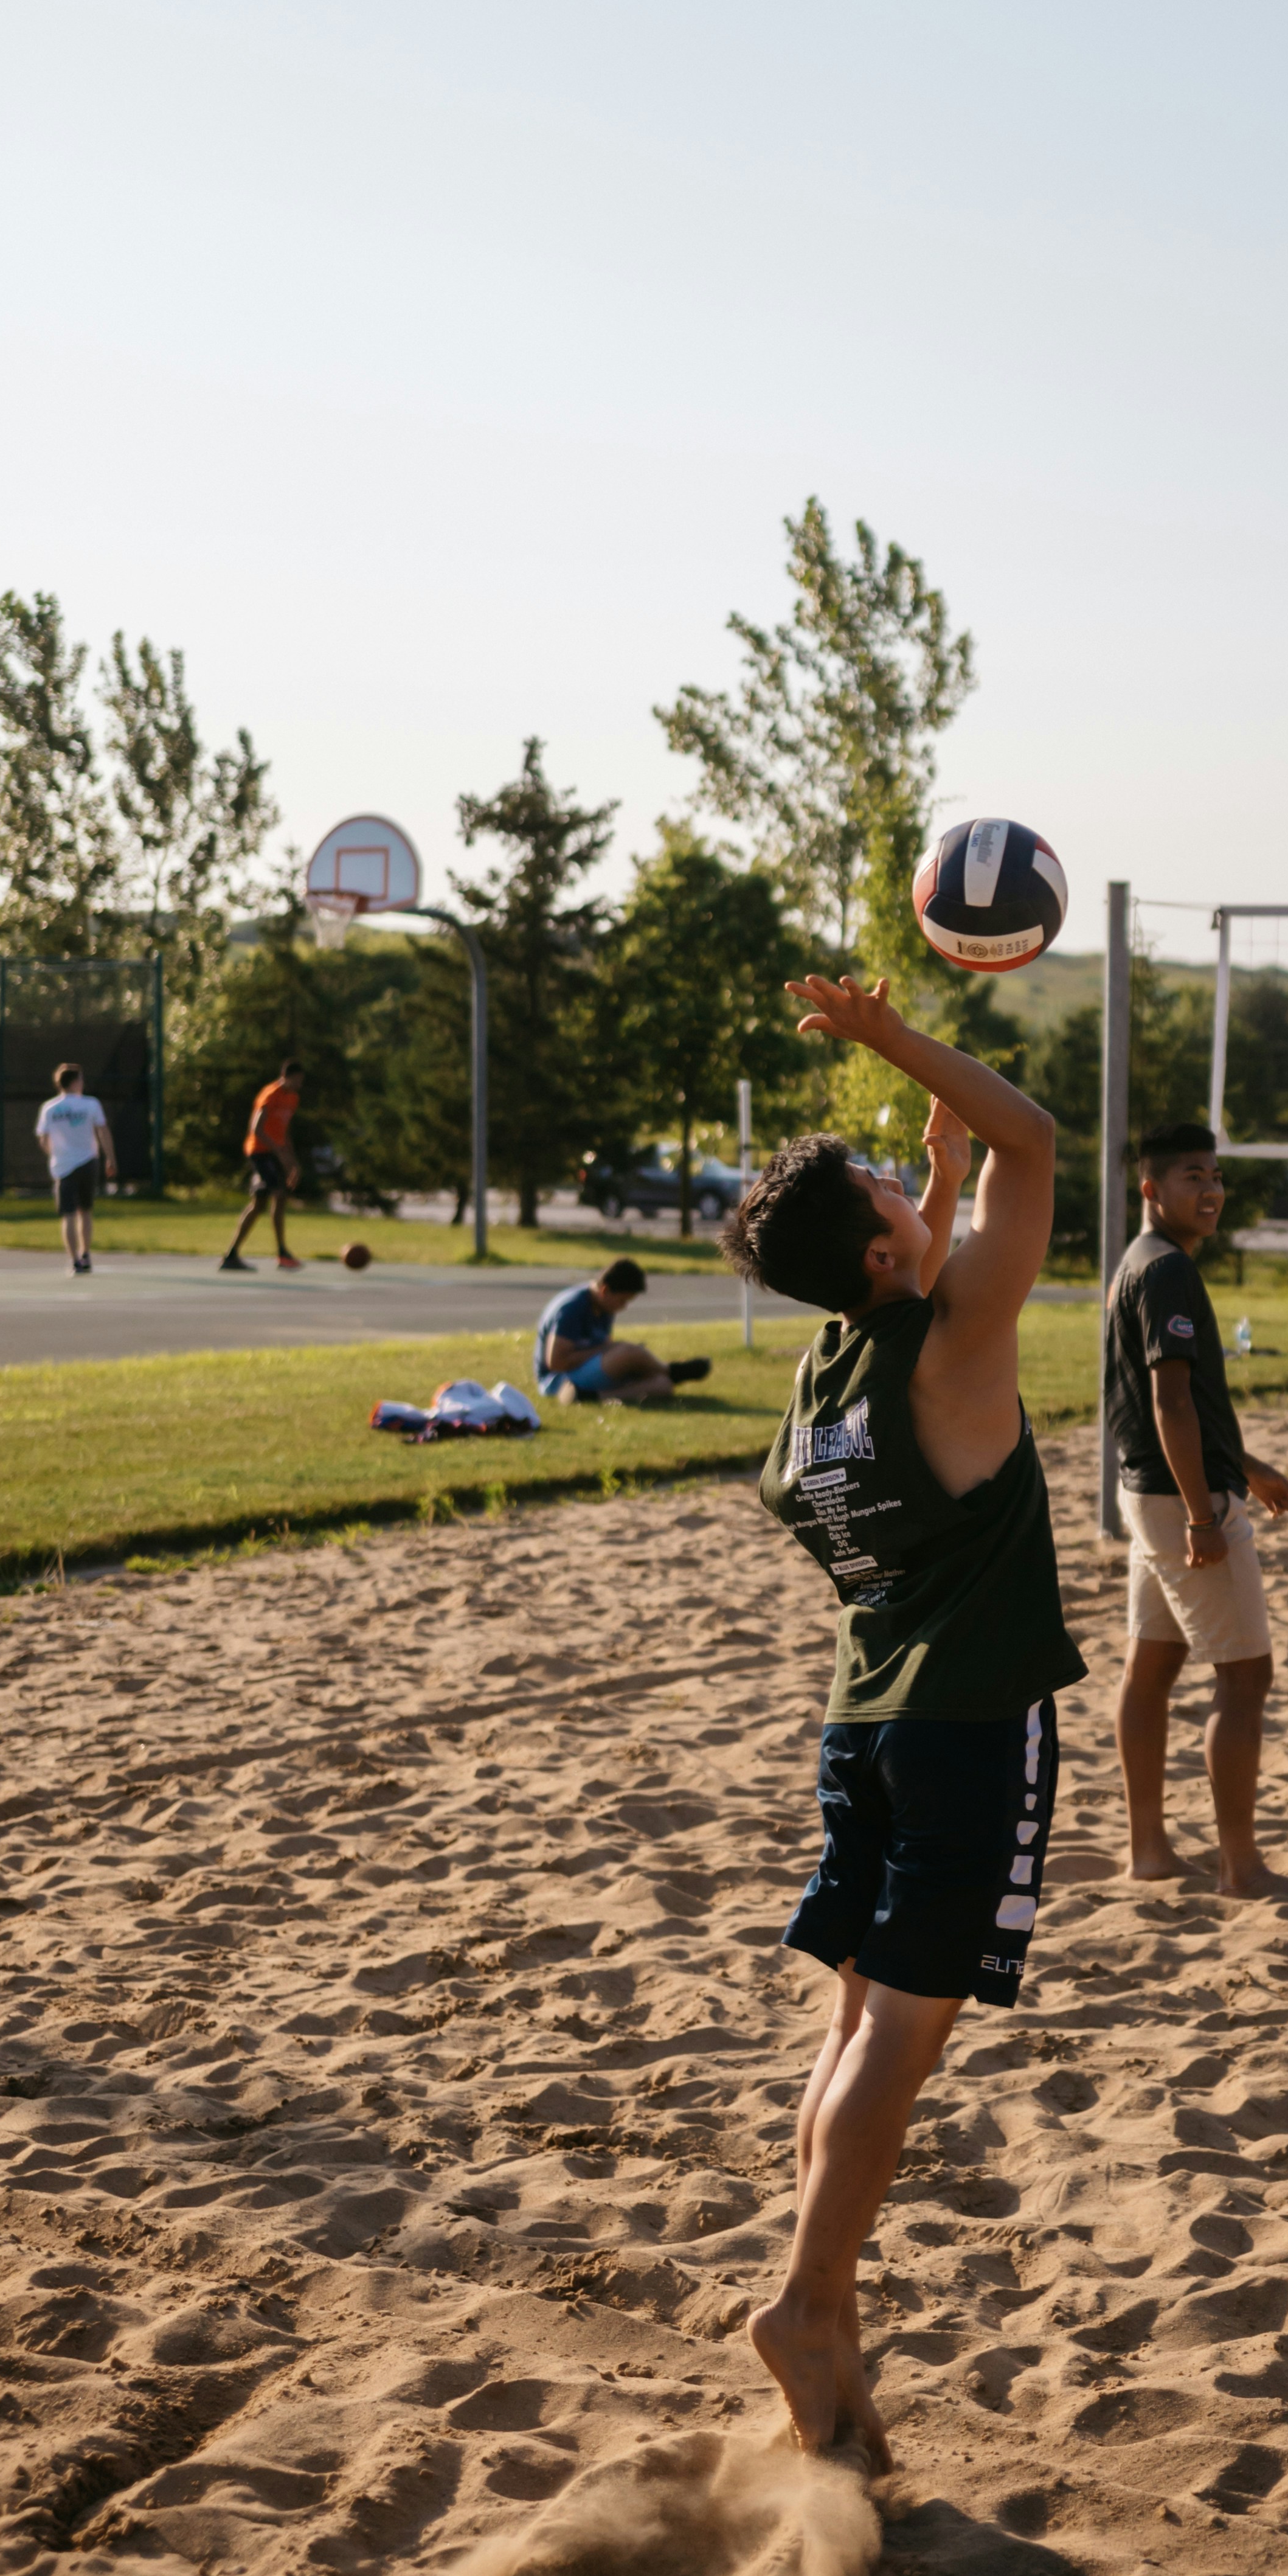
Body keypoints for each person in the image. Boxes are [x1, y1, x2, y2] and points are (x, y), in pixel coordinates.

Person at [722, 973, 1079, 2466]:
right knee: (902, 2037)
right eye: (888, 1185)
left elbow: (953, 1193)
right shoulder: (955, 1342)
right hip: (967, 1723)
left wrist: (924, 1170)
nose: (906, 1175)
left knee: (859, 2018)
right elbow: (1040, 1142)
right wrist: (890, 1041)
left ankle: (825, 2306)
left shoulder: (823, 1375)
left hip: (861, 1726)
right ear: (880, 1249)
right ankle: (811, 2302)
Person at [1105, 1119, 1288, 1895]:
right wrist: (1200, 1515)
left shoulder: (1140, 1262)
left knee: (1151, 1668)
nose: (1211, 1189)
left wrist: (1243, 1465)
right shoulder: (1166, 1274)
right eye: (1192, 1176)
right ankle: (1240, 1867)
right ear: (1151, 1190)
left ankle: (1149, 1852)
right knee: (1246, 1677)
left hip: (1145, 1492)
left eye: (1216, 1175)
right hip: (1174, 1499)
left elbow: (1180, 1403)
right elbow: (1168, 1402)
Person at [532, 1255, 713, 1406]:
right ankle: (671, 1370)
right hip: (558, 1380)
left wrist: (611, 1351)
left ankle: (592, 1396)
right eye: (623, 1301)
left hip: (582, 1378)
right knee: (628, 1352)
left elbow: (602, 1352)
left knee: (662, 1385)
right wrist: (608, 1349)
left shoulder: (604, 1306)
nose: (624, 1307)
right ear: (605, 1290)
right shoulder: (572, 1308)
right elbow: (556, 1362)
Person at [34, 1058, 117, 1277]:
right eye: (80, 1079)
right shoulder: (91, 1104)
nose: (83, 1082)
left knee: (68, 1214)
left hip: (63, 1167)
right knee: (85, 1212)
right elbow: (103, 1131)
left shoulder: (50, 1108)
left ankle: (75, 1261)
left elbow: (44, 1140)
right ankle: (85, 1254)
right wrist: (111, 1158)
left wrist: (57, 1155)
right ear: (74, 1083)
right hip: (89, 1163)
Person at [221, 1059, 305, 1274]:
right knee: (278, 1194)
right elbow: (256, 1129)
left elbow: (284, 1132)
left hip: (273, 1152)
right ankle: (282, 1253)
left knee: (259, 1204)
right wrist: (279, 1153)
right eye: (296, 1080)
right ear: (286, 1077)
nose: (299, 1084)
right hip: (259, 1152)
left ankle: (231, 1255)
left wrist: (293, 1161)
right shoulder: (270, 1095)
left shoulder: (293, 1098)